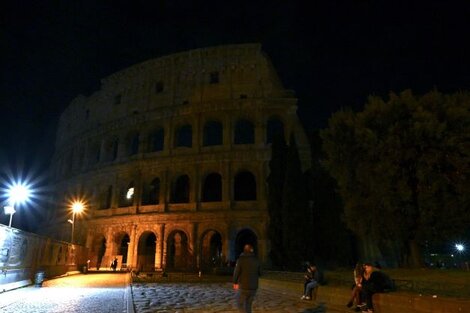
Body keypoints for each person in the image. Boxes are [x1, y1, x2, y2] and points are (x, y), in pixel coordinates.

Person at [233, 244, 261, 313]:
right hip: (253, 287)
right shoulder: (256, 260)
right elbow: (260, 273)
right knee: (248, 304)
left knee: (240, 303)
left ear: (244, 251)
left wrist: (235, 282)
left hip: (243, 286)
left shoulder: (240, 260)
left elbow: (236, 272)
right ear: (252, 251)